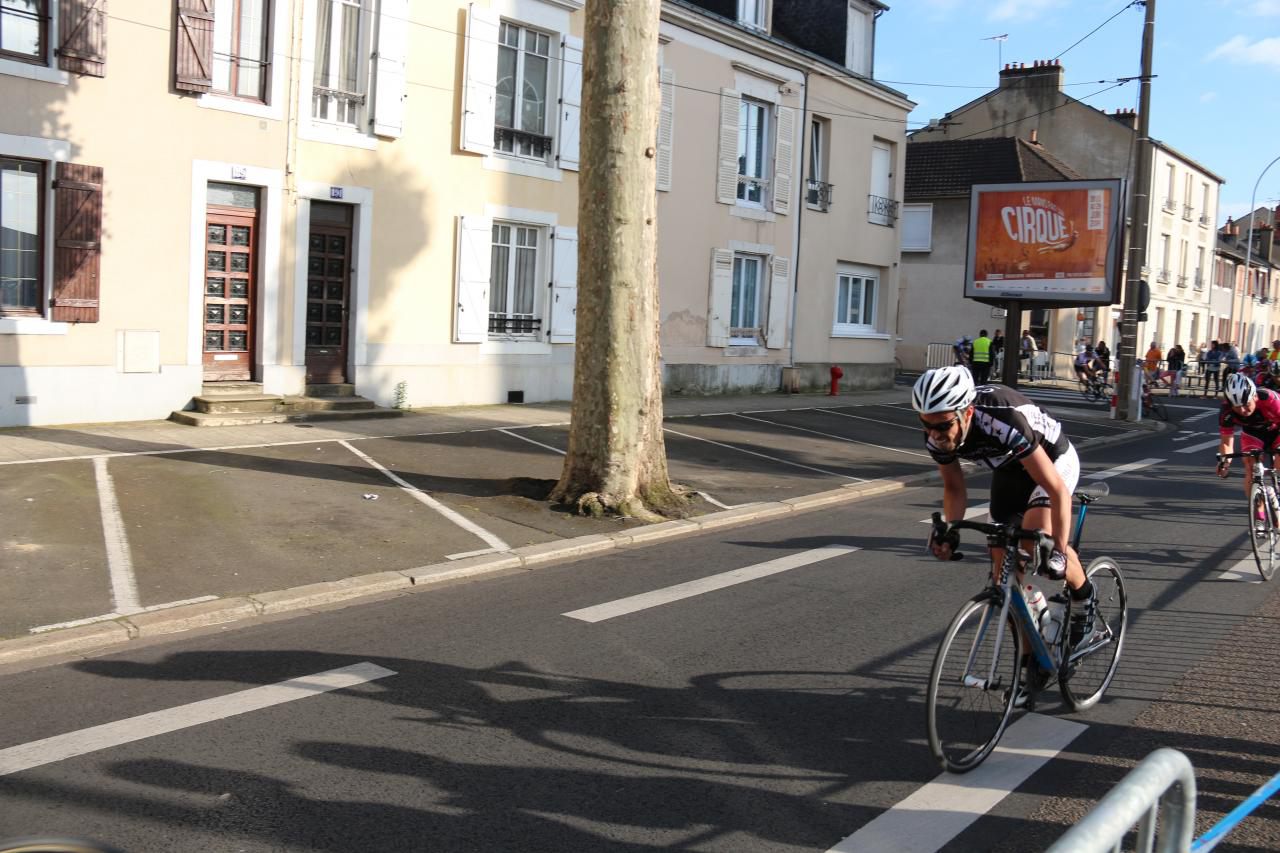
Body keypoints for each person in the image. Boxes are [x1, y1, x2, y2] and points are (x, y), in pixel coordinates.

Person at [915, 366, 1097, 689]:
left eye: (943, 426)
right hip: (1010, 469)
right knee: (1002, 572)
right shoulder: (937, 434)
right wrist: (950, 530)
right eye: (926, 425)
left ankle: (1084, 598)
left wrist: (1057, 549)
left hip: (1052, 460)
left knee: (1033, 542)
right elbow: (954, 487)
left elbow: (1056, 490)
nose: (935, 435)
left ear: (967, 412)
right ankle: (1031, 658)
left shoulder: (1002, 419)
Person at [1216, 374, 1280, 527]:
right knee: (1251, 466)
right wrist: (1225, 463)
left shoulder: (1269, 399)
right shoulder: (1226, 412)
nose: (1243, 410)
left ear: (1254, 396)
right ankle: (1259, 514)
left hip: (1277, 431)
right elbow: (1226, 443)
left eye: (1246, 404)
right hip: (1253, 434)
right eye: (1237, 407)